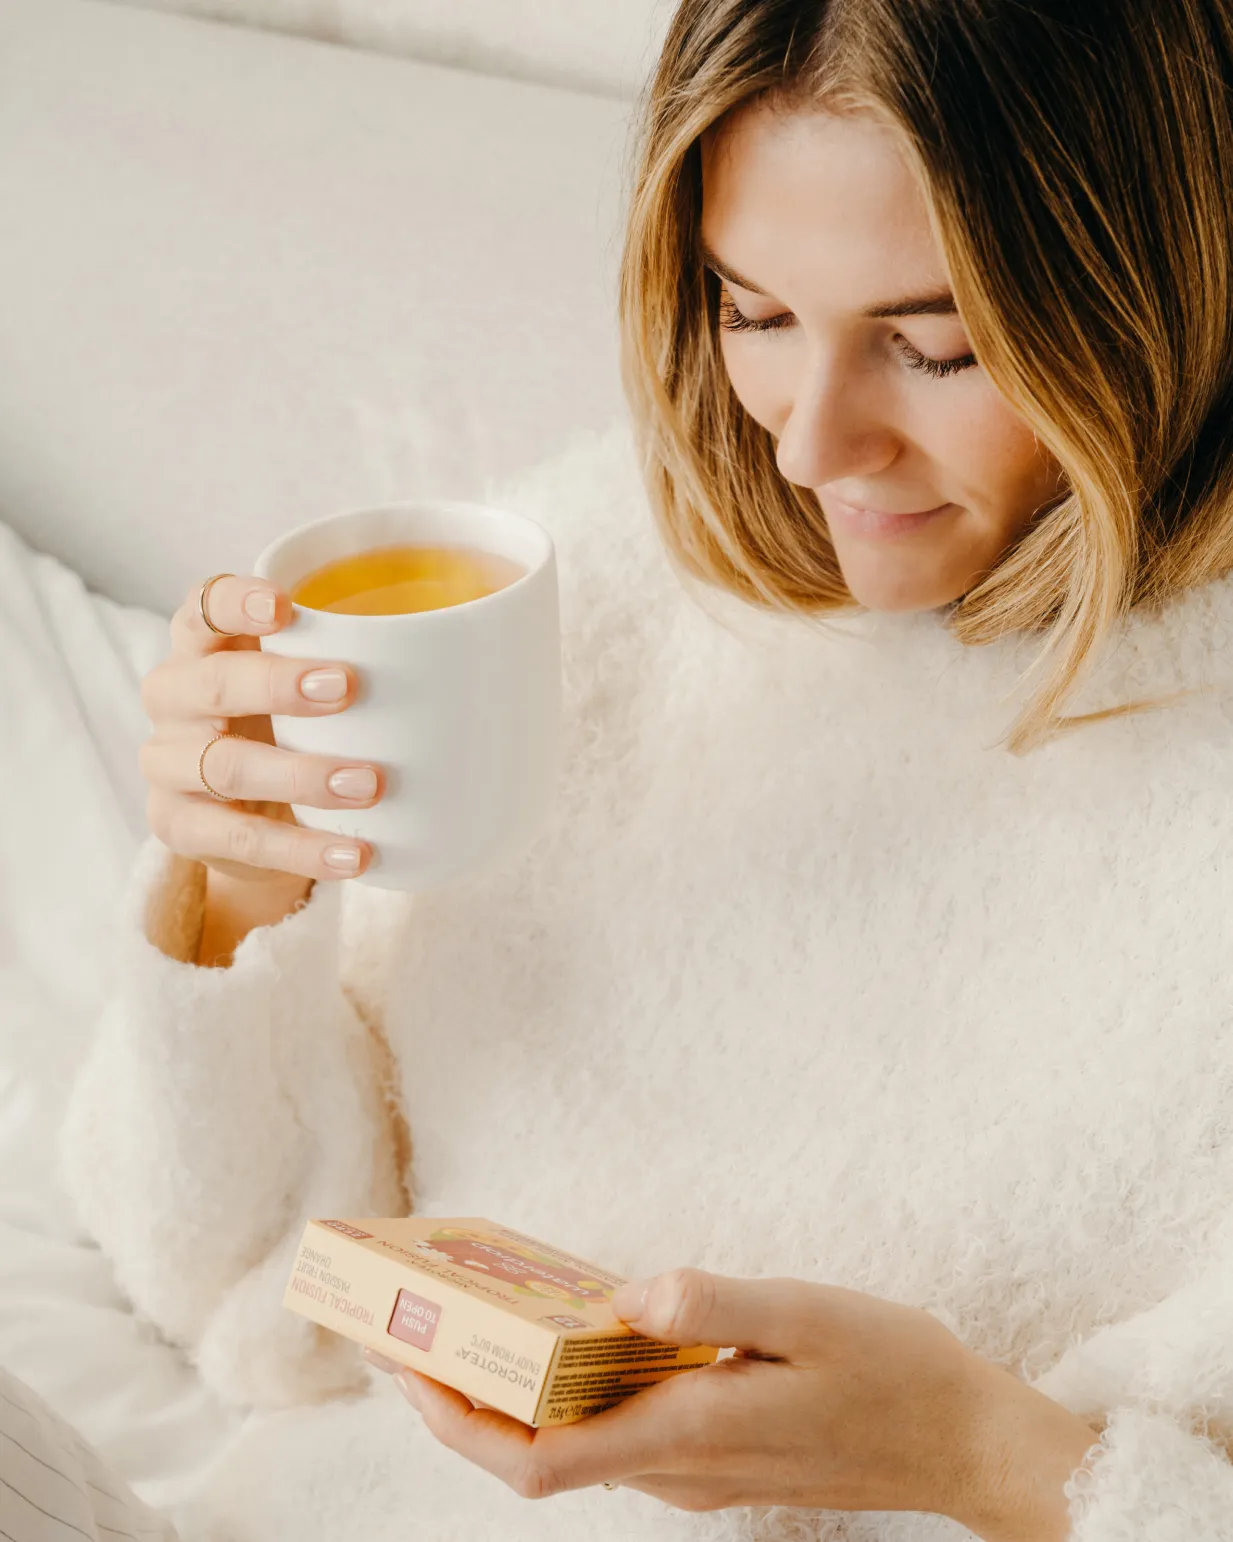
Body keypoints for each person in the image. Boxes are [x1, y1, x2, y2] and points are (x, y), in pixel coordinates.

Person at [32, 0, 1233, 1538]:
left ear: (1154, 285)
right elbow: (235, 1275)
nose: (808, 444)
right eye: (753, 311)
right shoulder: (583, 585)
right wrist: (240, 895)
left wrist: (977, 1458)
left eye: (934, 346)